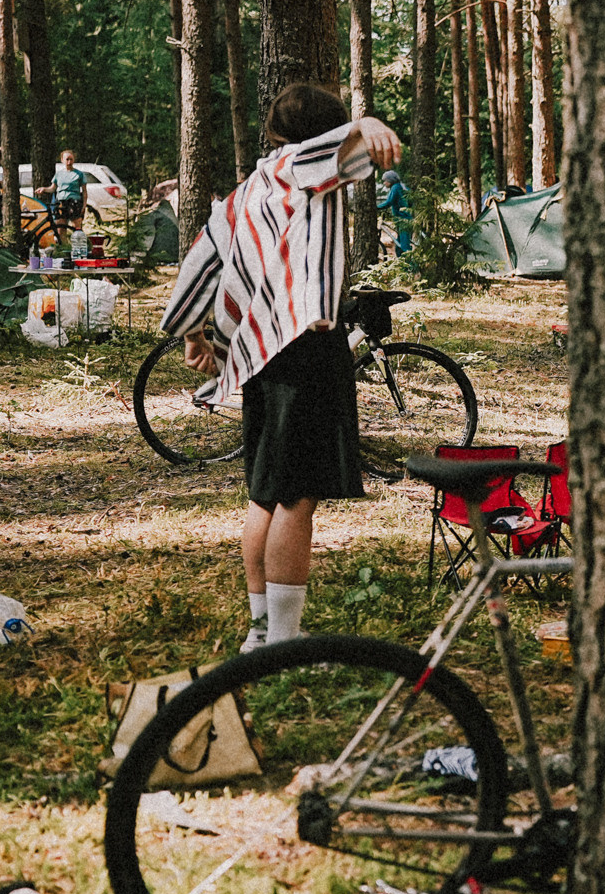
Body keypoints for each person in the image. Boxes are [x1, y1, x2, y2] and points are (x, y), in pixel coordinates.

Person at [158, 84, 401, 652]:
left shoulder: (247, 191)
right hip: (304, 348)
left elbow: (199, 262)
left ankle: (261, 630)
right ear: (323, 133)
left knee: (266, 492)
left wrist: (194, 330)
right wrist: (365, 125)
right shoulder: (301, 167)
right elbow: (334, 150)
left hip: (263, 355)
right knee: (298, 496)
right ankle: (285, 643)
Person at [376, 167, 414, 255]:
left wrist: (377, 208)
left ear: (391, 180)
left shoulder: (395, 188)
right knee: (399, 247)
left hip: (403, 220)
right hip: (406, 218)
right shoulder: (402, 186)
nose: (384, 183)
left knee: (405, 247)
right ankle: (401, 264)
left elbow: (389, 202)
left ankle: (411, 267)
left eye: (385, 180)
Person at [49, 150, 90, 229]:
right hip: (61, 202)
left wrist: (84, 206)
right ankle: (63, 241)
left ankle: (77, 241)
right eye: (67, 159)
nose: (69, 161)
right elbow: (52, 188)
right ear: (62, 160)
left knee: (77, 227)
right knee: (61, 228)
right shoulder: (59, 174)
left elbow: (84, 191)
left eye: (71, 159)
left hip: (74, 202)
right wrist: (43, 189)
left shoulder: (79, 174)